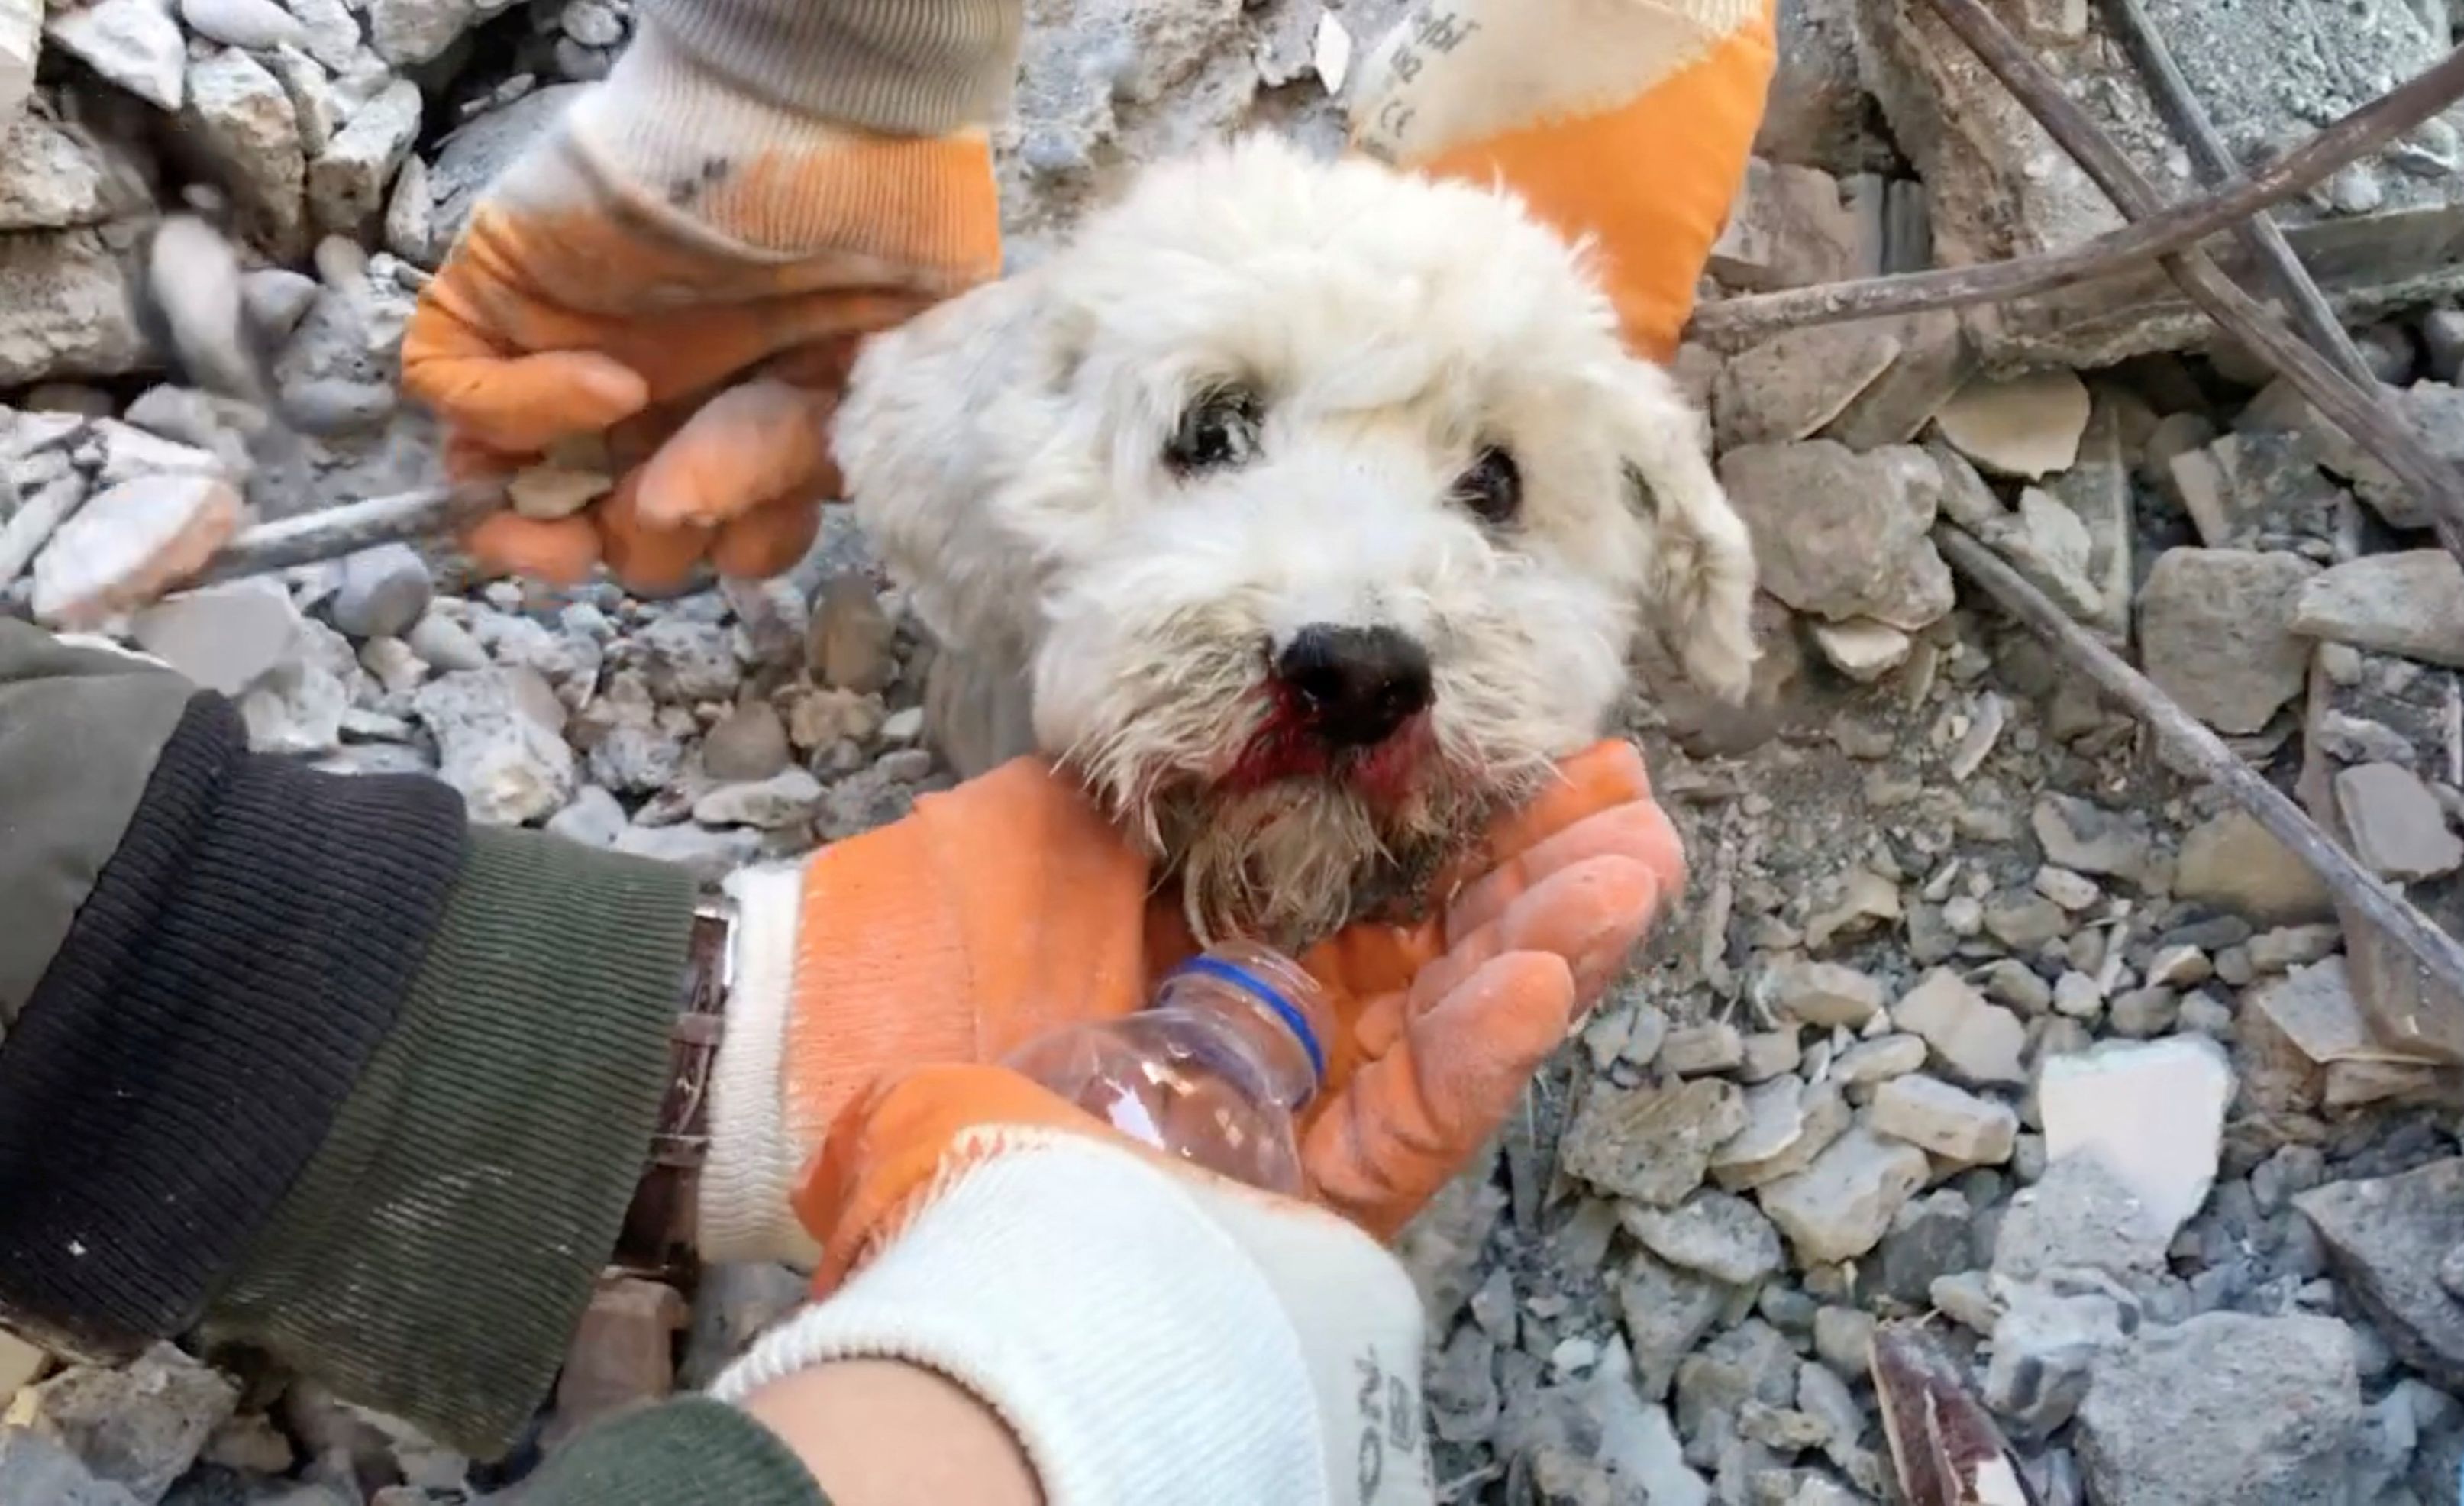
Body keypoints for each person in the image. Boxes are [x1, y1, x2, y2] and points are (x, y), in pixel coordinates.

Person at [1, 0, 1776, 1498]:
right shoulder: (990, 486)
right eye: (1216, 428)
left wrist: (806, 89)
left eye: (1488, 485)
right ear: (1005, 490)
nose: (1367, 620)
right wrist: (1007, 1410)